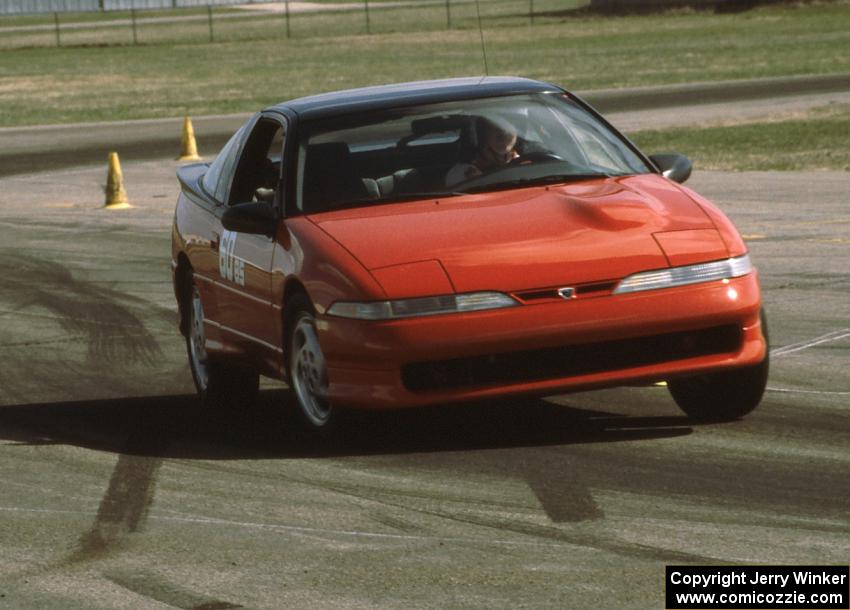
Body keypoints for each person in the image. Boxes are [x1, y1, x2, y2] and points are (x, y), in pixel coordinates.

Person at [446, 116, 519, 187]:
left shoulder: (524, 163)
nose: (504, 137)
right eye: (497, 130)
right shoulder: (460, 173)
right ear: (482, 134)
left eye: (508, 130)